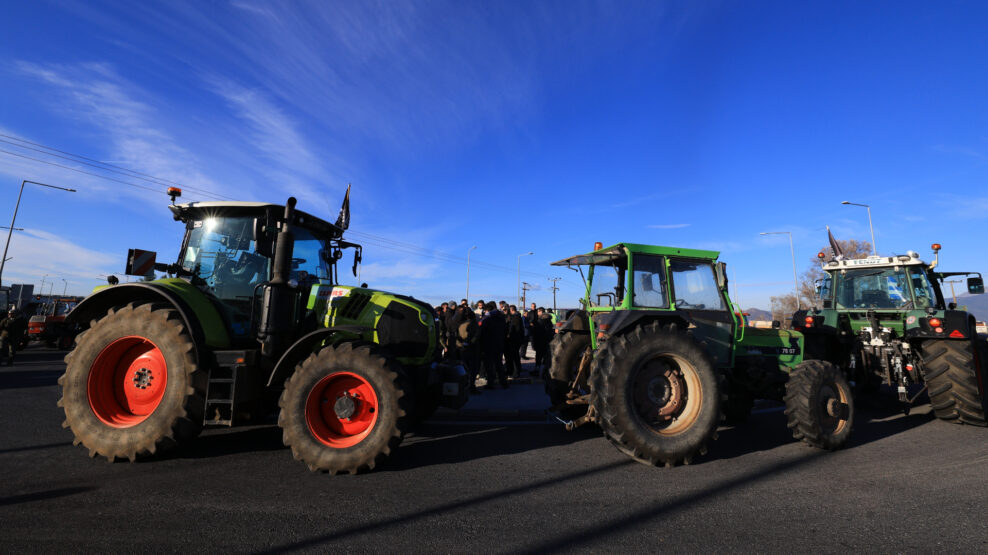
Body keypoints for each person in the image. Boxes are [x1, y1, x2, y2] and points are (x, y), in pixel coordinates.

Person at [479, 301, 507, 388]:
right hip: (499, 343)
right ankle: (504, 383)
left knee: (489, 365)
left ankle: (491, 383)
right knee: (499, 364)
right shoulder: (501, 317)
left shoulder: (487, 318)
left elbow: (482, 331)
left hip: (489, 344)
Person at [455, 308, 481, 393]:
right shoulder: (474, 324)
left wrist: (461, 345)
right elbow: (477, 335)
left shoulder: (460, 324)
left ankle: (464, 386)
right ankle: (471, 386)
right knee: (473, 369)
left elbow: (457, 337)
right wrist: (471, 343)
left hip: (462, 348)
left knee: (464, 368)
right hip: (472, 348)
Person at [504, 305, 525, 378]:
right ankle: (516, 371)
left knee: (514, 356)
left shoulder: (515, 318)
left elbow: (514, 329)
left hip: (514, 339)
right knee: (515, 355)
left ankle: (515, 372)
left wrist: (509, 334)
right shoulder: (517, 317)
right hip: (516, 339)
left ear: (511, 310)